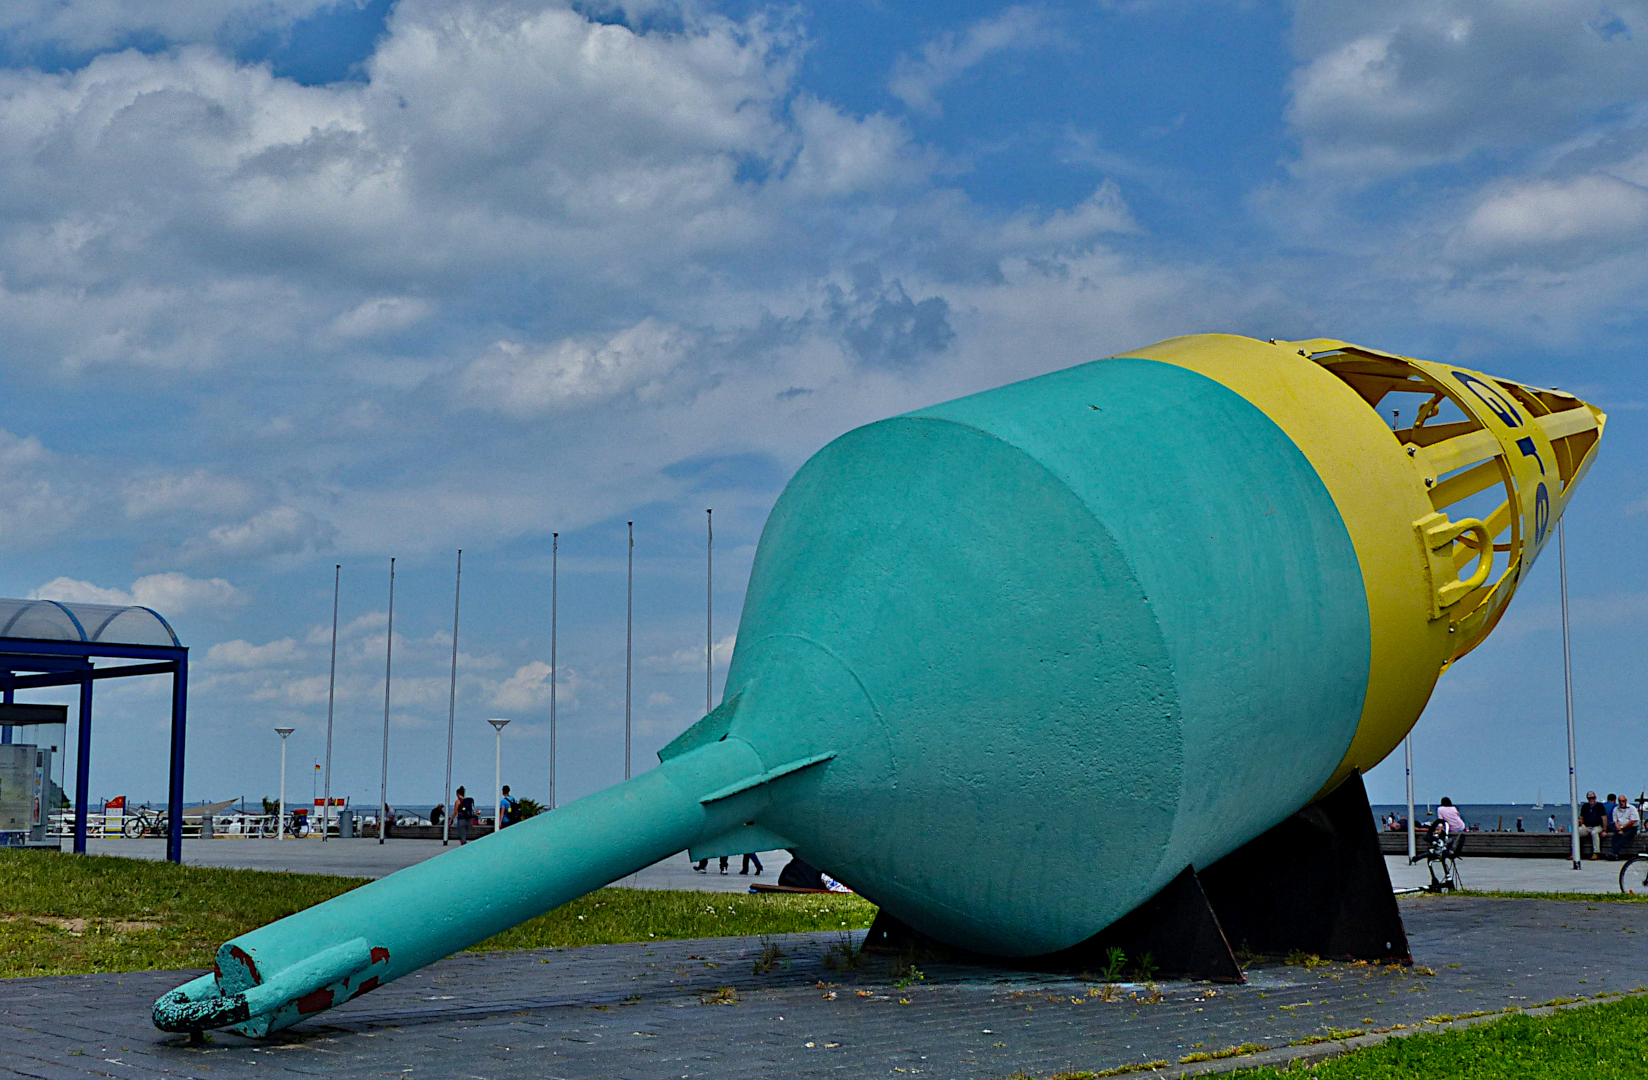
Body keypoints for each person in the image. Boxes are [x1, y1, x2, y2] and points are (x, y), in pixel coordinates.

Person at [1611, 792, 1640, 861]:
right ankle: (1615, 854)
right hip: (1620, 827)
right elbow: (1615, 821)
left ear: (1626, 801)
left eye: (1623, 801)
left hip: (1631, 827)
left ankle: (1613, 852)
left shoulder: (1632, 808)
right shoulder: (1616, 809)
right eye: (1620, 801)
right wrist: (1619, 829)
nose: (1621, 803)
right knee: (1615, 836)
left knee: (1625, 836)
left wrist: (1622, 828)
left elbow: (1633, 821)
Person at [1579, 792, 1606, 858]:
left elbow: (1604, 818)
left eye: (1592, 798)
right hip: (1587, 826)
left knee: (1594, 833)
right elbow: (1582, 818)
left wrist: (1605, 830)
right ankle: (1575, 852)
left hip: (1597, 826)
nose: (1591, 799)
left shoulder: (1599, 806)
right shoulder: (1585, 806)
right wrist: (1579, 823)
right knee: (1577, 832)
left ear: (1595, 798)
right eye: (1589, 798)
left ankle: (1596, 852)